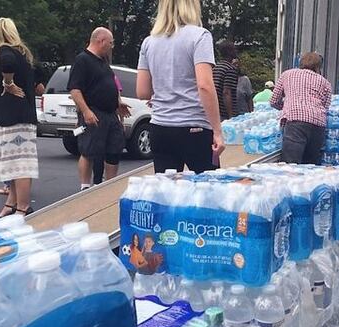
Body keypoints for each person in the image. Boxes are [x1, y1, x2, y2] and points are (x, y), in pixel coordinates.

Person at [136, 0, 225, 174]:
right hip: (194, 127)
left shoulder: (148, 42)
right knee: (207, 192)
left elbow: (143, 91)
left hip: (160, 127)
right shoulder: (200, 36)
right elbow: (205, 86)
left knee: (168, 194)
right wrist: (217, 130)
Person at [0, 18, 39, 218]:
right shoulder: (20, 53)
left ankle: (23, 206)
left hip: (14, 118)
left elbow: (7, 64)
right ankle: (12, 202)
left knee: (20, 163)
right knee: (14, 163)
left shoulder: (6, 51)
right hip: (17, 116)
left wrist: (8, 83)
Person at [67, 27, 131, 191]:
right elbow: (75, 89)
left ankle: (109, 186)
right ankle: (85, 187)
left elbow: (111, 85)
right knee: (89, 150)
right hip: (93, 112)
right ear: (100, 41)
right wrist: (86, 111)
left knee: (114, 149)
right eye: (110, 43)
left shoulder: (103, 62)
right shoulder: (82, 60)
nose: (112, 46)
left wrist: (118, 103)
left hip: (110, 114)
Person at [270, 52, 331, 165]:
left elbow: (273, 100)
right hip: (318, 124)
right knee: (310, 165)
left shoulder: (287, 74)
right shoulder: (325, 82)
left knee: (291, 164)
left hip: (296, 123)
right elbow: (326, 106)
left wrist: (286, 107)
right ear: (318, 67)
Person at [213, 40, 239, 120]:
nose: (236, 51)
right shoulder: (230, 69)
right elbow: (226, 92)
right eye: (234, 49)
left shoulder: (216, 67)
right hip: (224, 113)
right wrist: (231, 116)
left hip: (215, 110)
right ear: (229, 52)